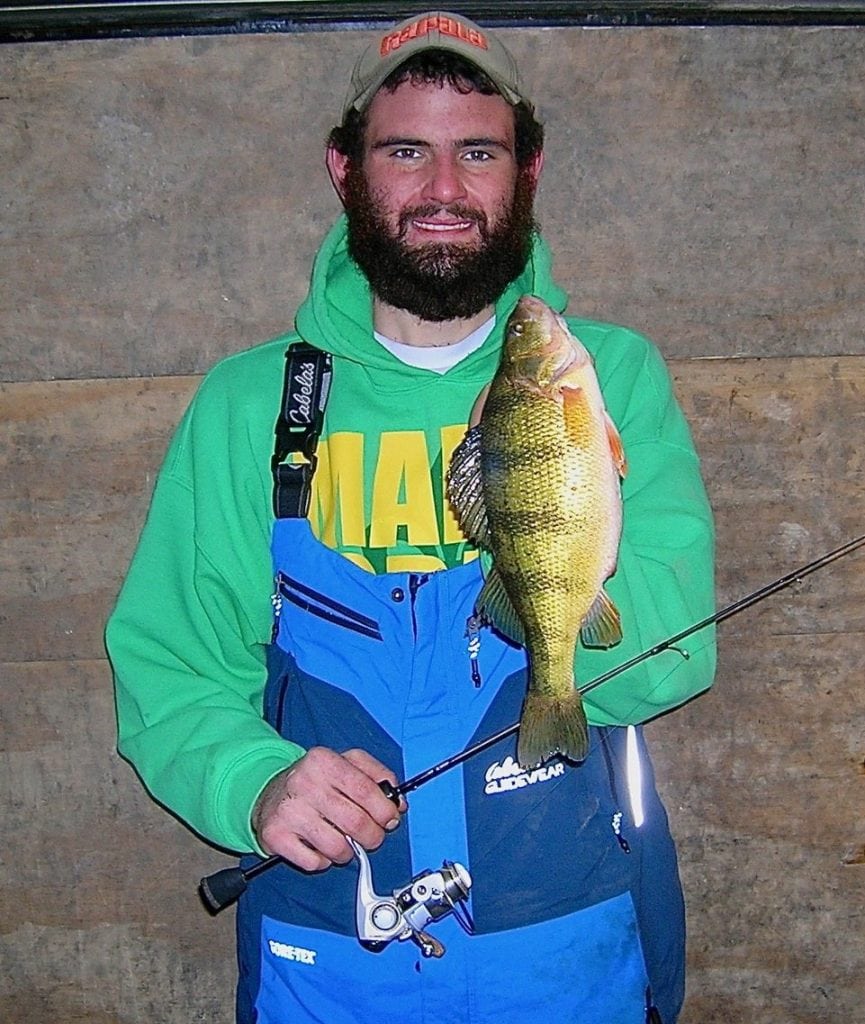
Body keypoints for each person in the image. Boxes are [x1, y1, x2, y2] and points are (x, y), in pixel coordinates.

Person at [106, 11, 716, 1024]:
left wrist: (553, 602)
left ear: (527, 171)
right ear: (344, 171)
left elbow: (674, 658)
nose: (442, 190)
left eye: (478, 152)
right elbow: (170, 667)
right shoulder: (250, 404)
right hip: (331, 951)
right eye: (405, 152)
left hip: (569, 945)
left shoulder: (610, 377)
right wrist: (255, 783)